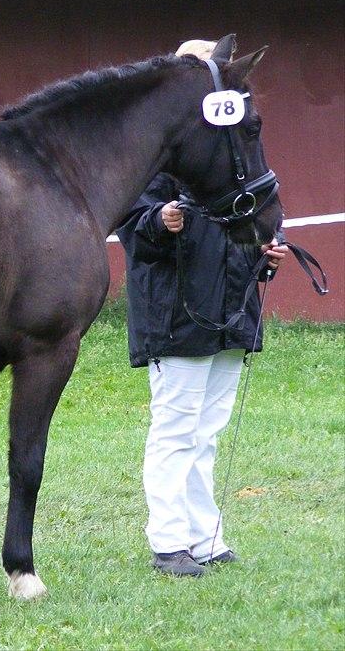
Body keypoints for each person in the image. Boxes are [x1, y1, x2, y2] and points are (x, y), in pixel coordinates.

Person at [115, 40, 289, 577]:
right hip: (176, 315)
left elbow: (242, 231)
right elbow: (133, 229)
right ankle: (169, 542)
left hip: (230, 313)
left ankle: (205, 537)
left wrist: (267, 255)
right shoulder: (152, 155)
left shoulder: (227, 154)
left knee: (205, 432)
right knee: (176, 430)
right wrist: (158, 221)